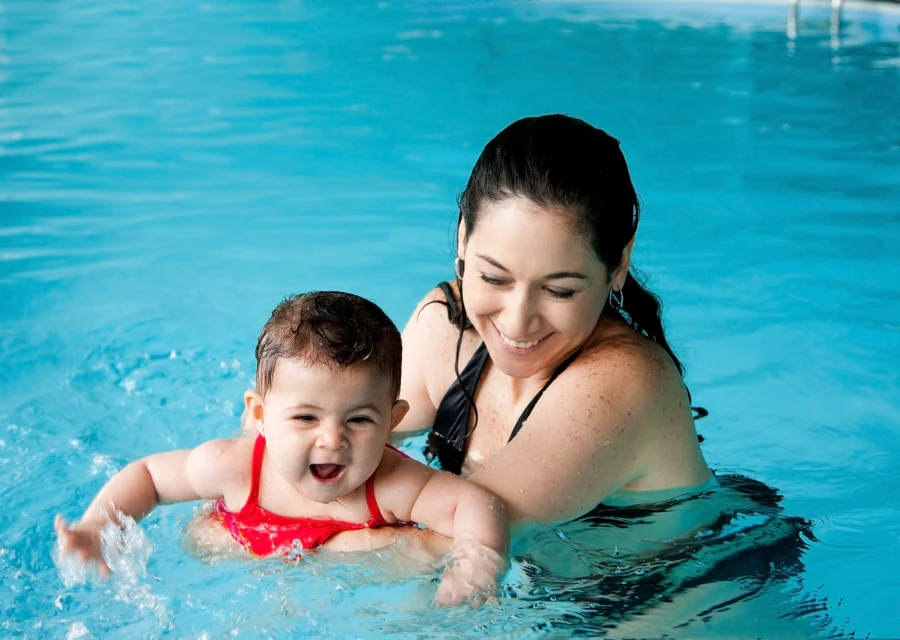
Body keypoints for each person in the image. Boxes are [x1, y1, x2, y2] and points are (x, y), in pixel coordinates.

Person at [54, 291, 508, 605]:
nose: (332, 440)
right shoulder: (235, 467)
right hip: (247, 537)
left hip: (311, 566)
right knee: (201, 540)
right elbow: (150, 477)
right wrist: (98, 525)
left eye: (360, 419)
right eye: (306, 418)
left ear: (394, 420)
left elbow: (476, 502)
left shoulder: (391, 484)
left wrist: (475, 567)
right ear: (260, 417)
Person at [393, 113, 712, 526]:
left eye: (558, 290)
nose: (517, 321)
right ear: (462, 238)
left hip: (682, 587)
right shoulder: (448, 326)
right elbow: (323, 446)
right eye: (493, 277)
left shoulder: (623, 384)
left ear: (618, 265)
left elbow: (458, 542)